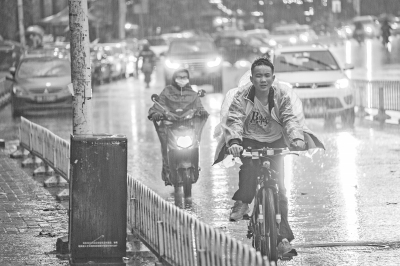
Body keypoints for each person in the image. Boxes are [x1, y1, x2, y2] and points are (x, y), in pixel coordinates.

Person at [213, 57, 324, 255]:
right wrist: (235, 142)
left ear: (273, 78)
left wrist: (296, 139)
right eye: (258, 76)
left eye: (266, 76)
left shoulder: (281, 95)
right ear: (252, 78)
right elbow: (235, 119)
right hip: (249, 139)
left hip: (275, 141)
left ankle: (282, 239)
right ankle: (243, 201)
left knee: (280, 190)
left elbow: (289, 119)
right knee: (248, 169)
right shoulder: (241, 96)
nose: (263, 80)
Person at [148, 69, 208, 185]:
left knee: (195, 145)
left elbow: (199, 106)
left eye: (184, 77)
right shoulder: (167, 92)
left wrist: (202, 112)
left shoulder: (192, 94)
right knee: (166, 146)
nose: (182, 79)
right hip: (171, 127)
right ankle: (168, 169)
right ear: (174, 78)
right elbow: (158, 105)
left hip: (188, 127)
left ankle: (196, 166)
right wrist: (155, 114)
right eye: (179, 77)